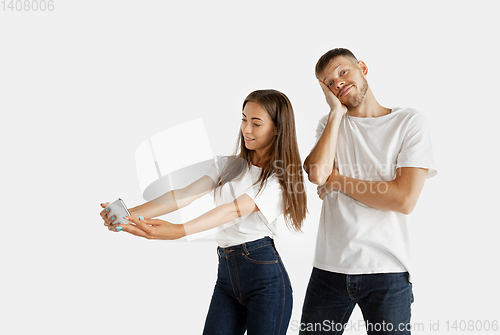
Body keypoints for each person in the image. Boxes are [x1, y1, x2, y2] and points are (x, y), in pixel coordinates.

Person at [100, 89, 307, 335]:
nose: (246, 129)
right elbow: (183, 195)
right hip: (227, 276)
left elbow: (232, 210)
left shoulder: (279, 179)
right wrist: (128, 214)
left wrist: (179, 231)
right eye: (243, 119)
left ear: (277, 128)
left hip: (265, 278)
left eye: (256, 123)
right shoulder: (229, 165)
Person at [299, 48, 437, 334]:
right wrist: (336, 112)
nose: (338, 83)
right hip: (329, 269)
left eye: (343, 72)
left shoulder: (409, 122)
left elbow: (403, 199)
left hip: (387, 270)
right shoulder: (329, 125)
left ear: (362, 67)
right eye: (329, 83)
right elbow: (315, 173)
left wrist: (336, 180)